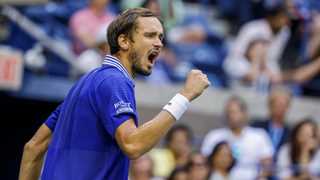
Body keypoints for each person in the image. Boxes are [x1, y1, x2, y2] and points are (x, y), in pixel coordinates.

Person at [19, 8, 210, 180]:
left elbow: (33, 148)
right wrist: (184, 96)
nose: (159, 43)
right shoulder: (114, 80)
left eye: (160, 37)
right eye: (150, 35)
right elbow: (133, 144)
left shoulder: (85, 83)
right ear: (124, 41)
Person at [201, 96, 274, 180]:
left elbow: (267, 164)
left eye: (234, 112)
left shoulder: (259, 136)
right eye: (228, 112)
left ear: (244, 114)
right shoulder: (214, 135)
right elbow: (205, 162)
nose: (230, 116)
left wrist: (261, 177)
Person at [251, 86, 292, 157]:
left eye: (283, 105)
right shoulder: (256, 126)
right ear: (269, 105)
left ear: (288, 107)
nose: (280, 109)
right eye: (277, 105)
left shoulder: (291, 132)